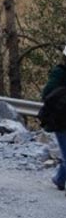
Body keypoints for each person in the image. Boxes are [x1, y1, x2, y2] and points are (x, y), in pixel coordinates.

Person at [43, 44, 66, 192]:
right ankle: (59, 179)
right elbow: (47, 94)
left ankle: (59, 179)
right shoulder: (59, 73)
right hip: (61, 119)